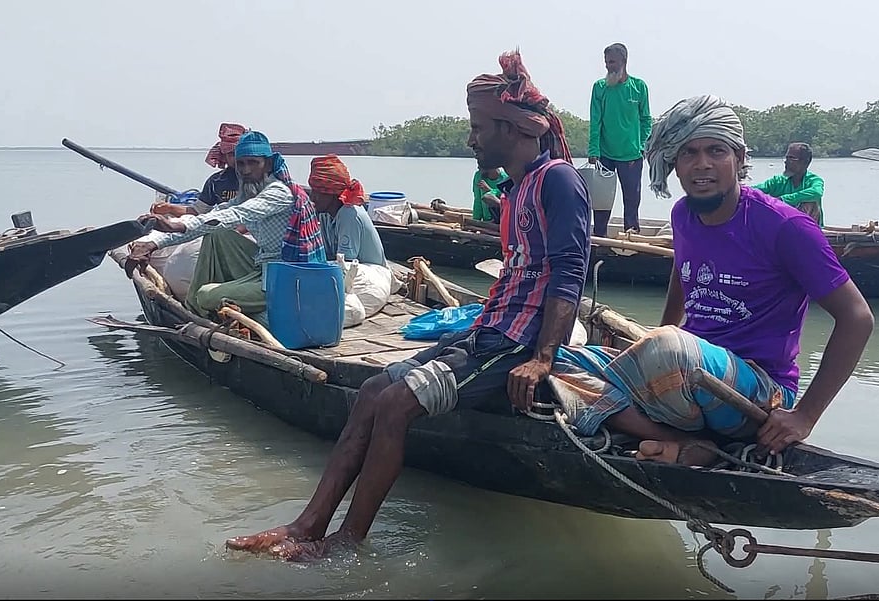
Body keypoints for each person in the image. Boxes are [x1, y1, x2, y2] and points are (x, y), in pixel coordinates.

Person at [224, 48, 590, 561]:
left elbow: (569, 272)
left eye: (479, 126)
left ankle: (346, 541)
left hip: (515, 343)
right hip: (488, 331)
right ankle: (306, 525)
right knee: (373, 390)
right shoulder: (519, 187)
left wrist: (542, 358)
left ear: (512, 128)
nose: (471, 138)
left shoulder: (558, 180)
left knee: (396, 405)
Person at [549, 95, 874, 465]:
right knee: (555, 359)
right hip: (688, 376)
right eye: (688, 153)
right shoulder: (683, 215)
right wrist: (661, 332)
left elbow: (857, 317)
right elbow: (681, 272)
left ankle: (650, 420)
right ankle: (679, 442)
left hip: (757, 392)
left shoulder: (785, 227)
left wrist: (805, 416)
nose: (702, 164)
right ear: (674, 164)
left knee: (668, 350)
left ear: (738, 159)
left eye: (716, 151)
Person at [125, 130, 327, 318]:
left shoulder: (278, 192)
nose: (246, 170)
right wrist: (155, 243)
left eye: (253, 163)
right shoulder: (246, 193)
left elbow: (235, 214)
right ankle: (198, 307)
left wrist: (176, 226)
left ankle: (204, 306)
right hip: (263, 266)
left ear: (267, 164)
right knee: (217, 233)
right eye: (241, 164)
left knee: (206, 295)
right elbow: (215, 215)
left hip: (290, 276)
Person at [588, 42, 652, 236]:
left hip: (631, 154)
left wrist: (642, 145)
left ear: (624, 61)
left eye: (613, 62)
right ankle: (600, 237)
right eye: (606, 62)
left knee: (632, 199)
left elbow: (646, 119)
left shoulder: (639, 87)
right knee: (602, 200)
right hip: (605, 154)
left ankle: (631, 235)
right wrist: (593, 150)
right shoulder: (599, 87)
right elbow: (595, 121)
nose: (609, 66)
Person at [151, 122, 247, 218]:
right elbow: (198, 211)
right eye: (231, 154)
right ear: (224, 156)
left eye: (241, 154)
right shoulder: (216, 181)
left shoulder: (260, 179)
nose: (237, 159)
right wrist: (170, 208)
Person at [307, 154, 386, 267]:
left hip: (372, 275)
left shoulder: (349, 214)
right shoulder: (325, 215)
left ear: (333, 194)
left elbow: (345, 264)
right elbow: (327, 254)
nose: (312, 197)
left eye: (318, 192)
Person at [753, 142, 825, 226]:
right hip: (782, 225)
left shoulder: (814, 180)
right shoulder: (778, 181)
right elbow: (755, 190)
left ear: (805, 162)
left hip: (807, 227)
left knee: (810, 202)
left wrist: (784, 199)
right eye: (786, 158)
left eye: (791, 158)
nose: (786, 162)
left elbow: (817, 192)